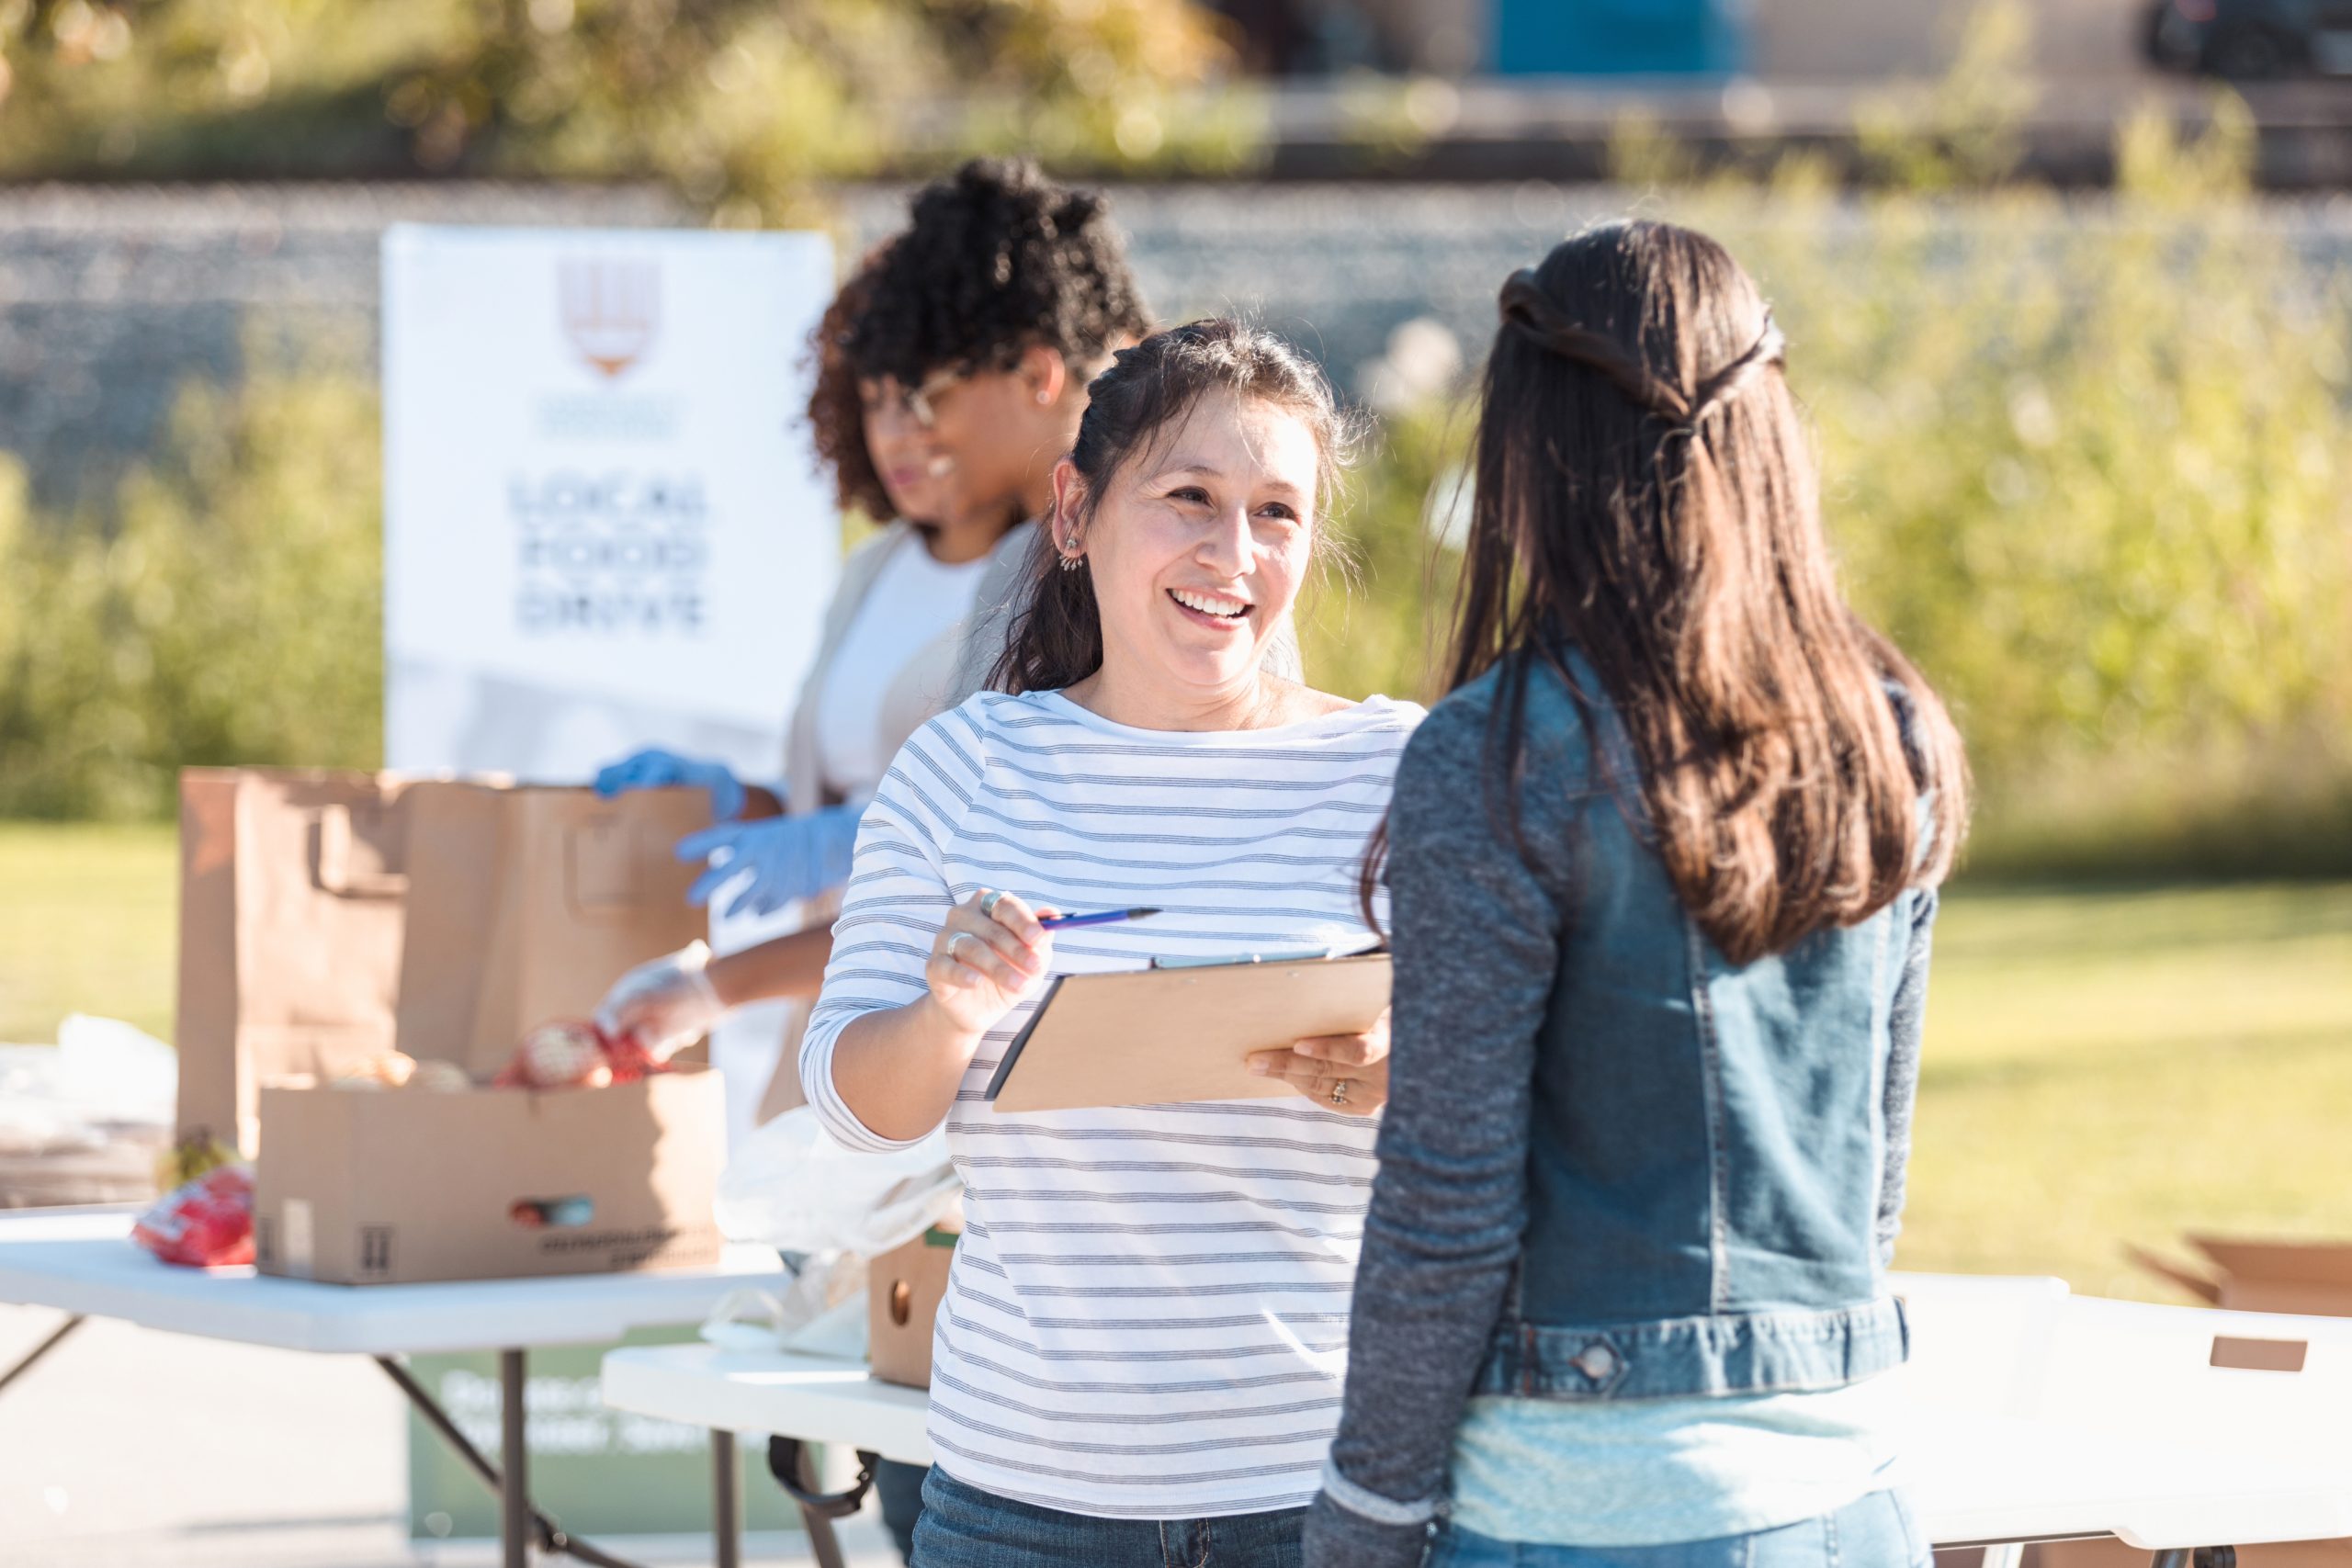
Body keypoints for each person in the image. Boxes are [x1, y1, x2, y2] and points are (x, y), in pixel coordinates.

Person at [1303, 221, 1970, 1568]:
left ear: (1529, 453)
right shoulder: (1891, 735)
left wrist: (1368, 1507)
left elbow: (1449, 1196)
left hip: (1585, 1503)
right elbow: (1871, 1174)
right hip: (1853, 1488)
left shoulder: (1498, 755)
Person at [594, 158, 1153, 1561]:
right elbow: (826, 808)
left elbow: (964, 880)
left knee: (944, 1482)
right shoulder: (878, 572)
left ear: (1043, 374)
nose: (903, 427)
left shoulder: (1082, 578)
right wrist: (738, 801)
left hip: (972, 1093)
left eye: (933, 388)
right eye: (882, 396)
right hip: (836, 1080)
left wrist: (717, 980)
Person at [798, 319, 1423, 1567]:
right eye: (1188, 498)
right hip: (1022, 1503)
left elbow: (1526, 1088)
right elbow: (855, 1109)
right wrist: (944, 1014)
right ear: (1078, 515)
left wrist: (1414, 1056)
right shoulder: (966, 766)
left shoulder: (1402, 769)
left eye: (1276, 514)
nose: (1232, 553)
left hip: (1324, 1493)